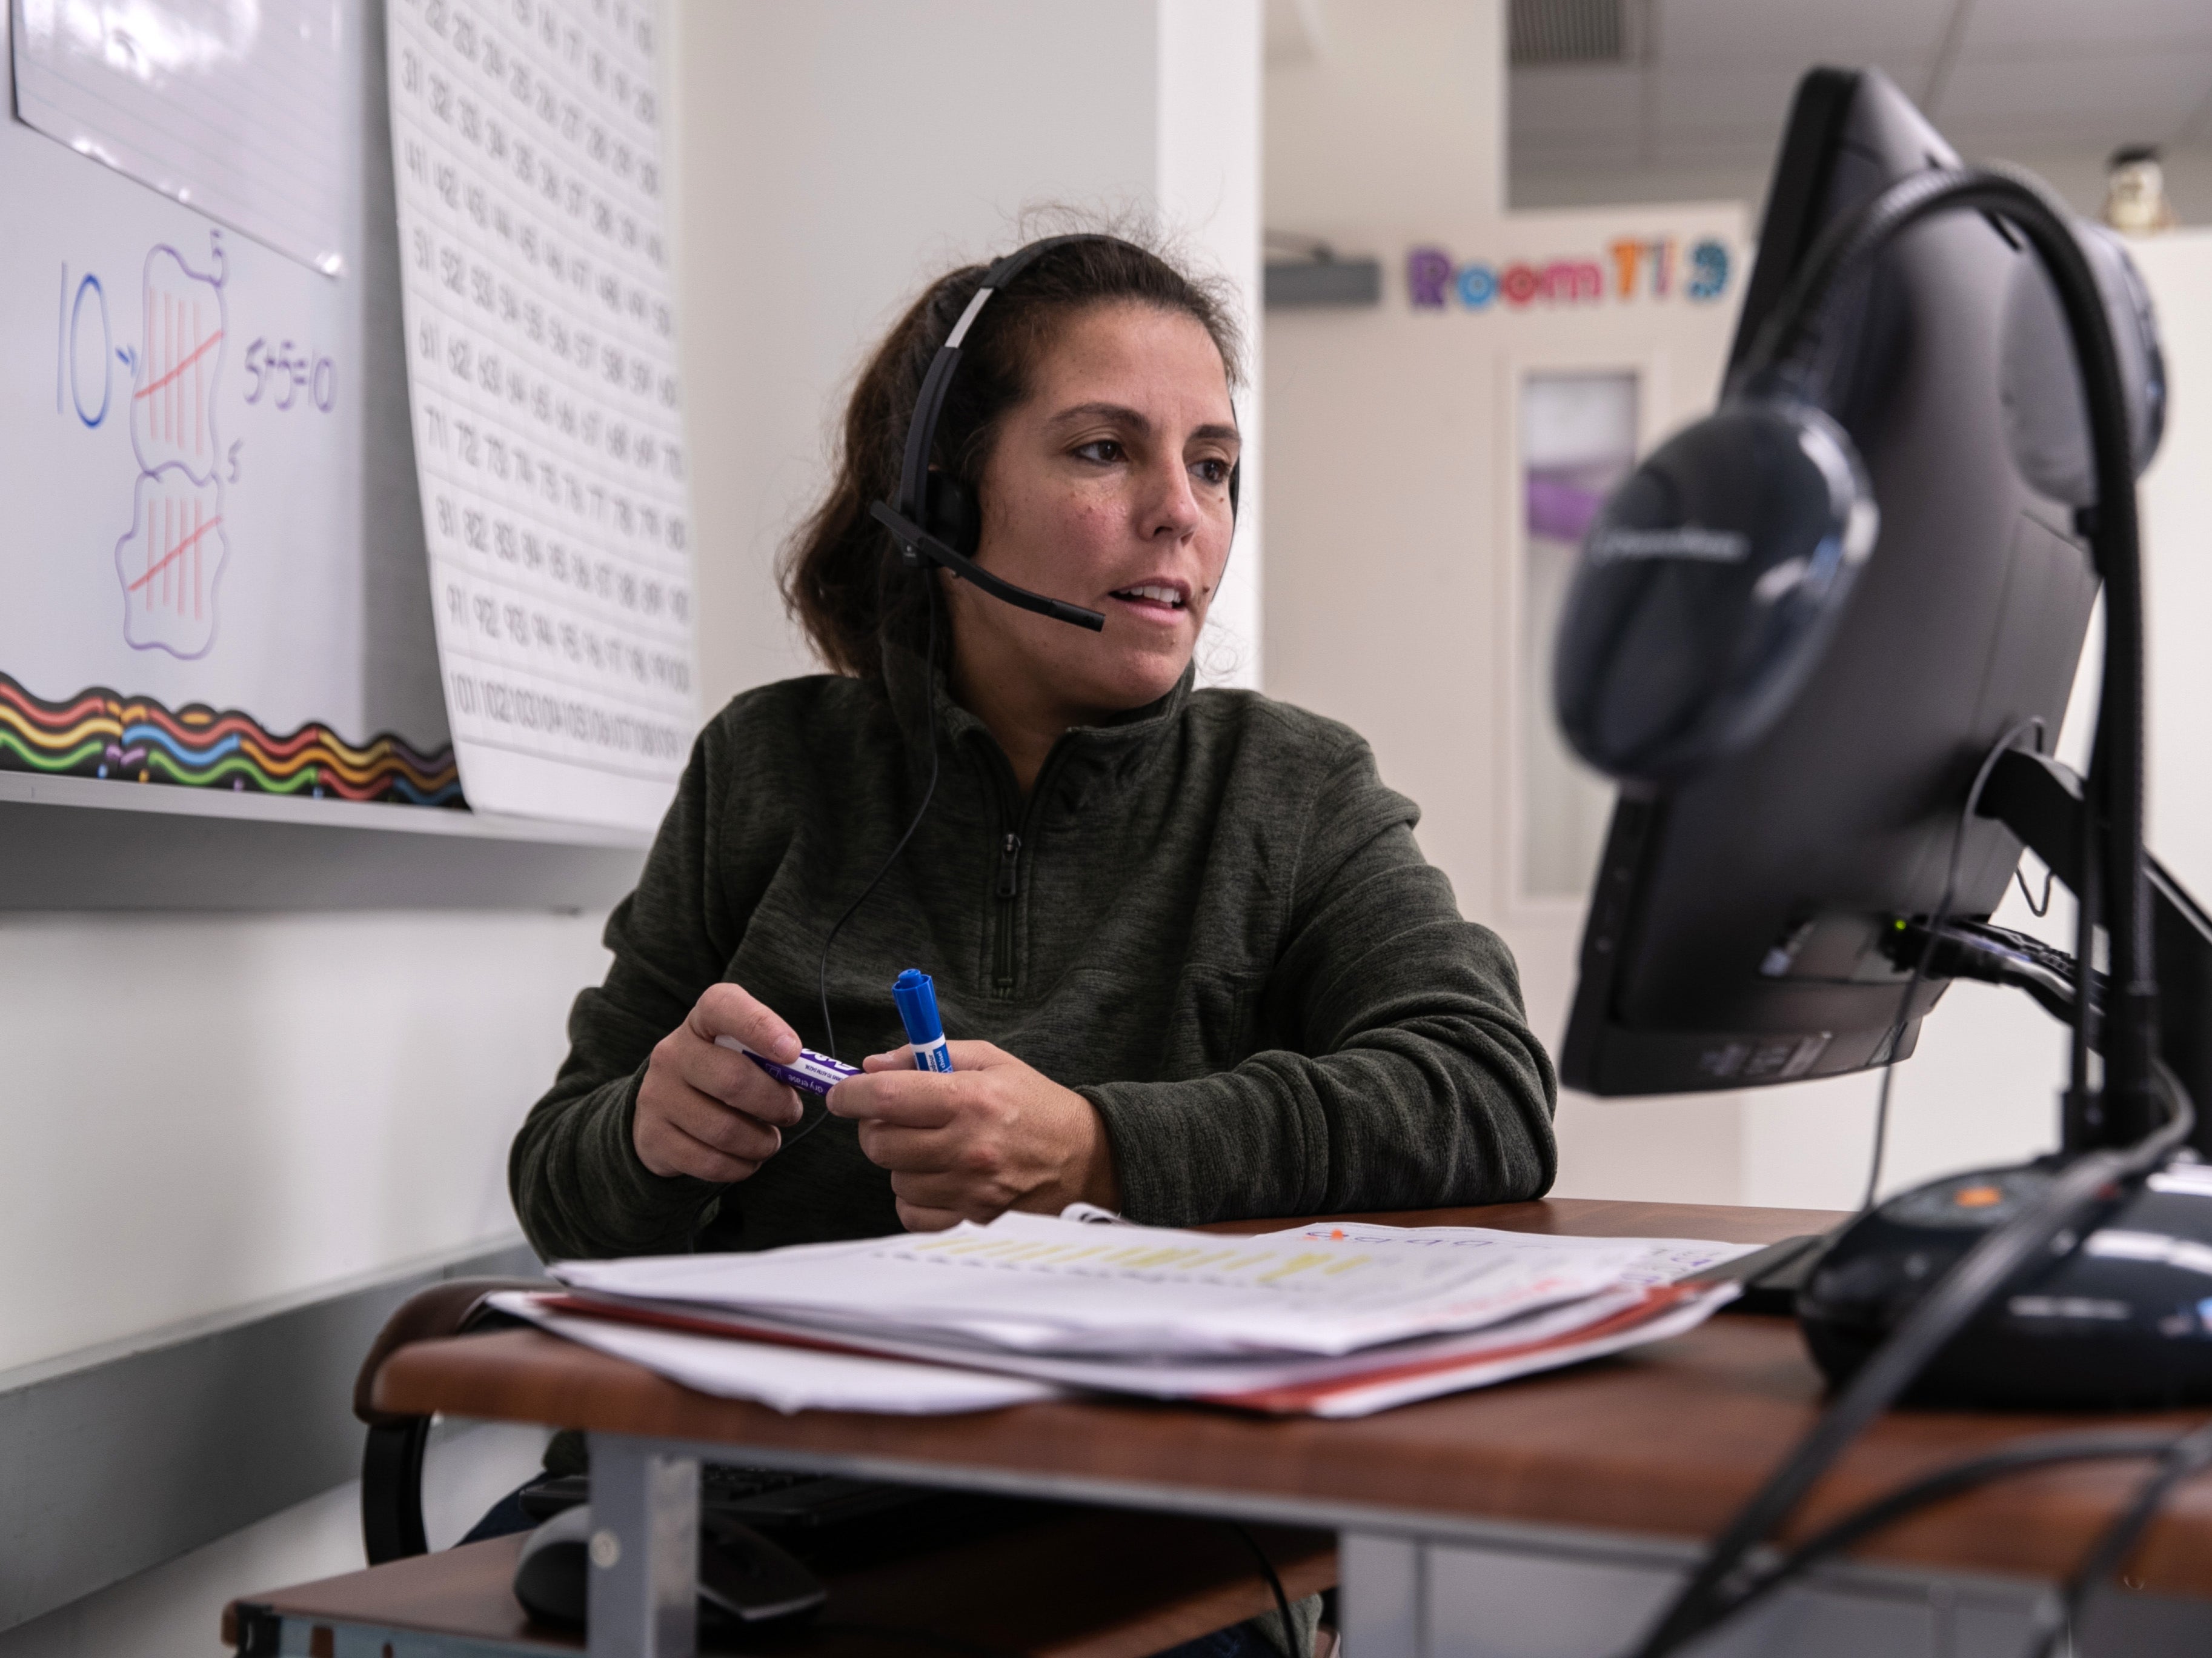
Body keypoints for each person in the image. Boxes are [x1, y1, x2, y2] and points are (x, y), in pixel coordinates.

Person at [493, 228, 1557, 1656]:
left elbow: (1484, 1093)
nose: (1179, 514)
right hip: (733, 1501)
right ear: (941, 496)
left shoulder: (1291, 788)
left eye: (1213, 465)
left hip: (1130, 1521)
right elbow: (566, 1198)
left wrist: (1097, 1153)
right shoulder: (765, 766)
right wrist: (649, 1136)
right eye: (1104, 451)